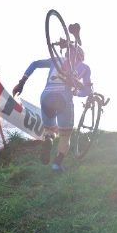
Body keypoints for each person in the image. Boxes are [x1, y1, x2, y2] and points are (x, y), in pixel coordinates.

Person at [12, 39, 92, 171]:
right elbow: (86, 91)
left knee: (50, 130)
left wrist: (21, 82)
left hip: (46, 96)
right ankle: (57, 164)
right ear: (81, 56)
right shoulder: (84, 67)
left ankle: (49, 138)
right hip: (64, 98)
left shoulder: (56, 60)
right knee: (65, 135)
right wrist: (76, 92)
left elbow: (35, 64)